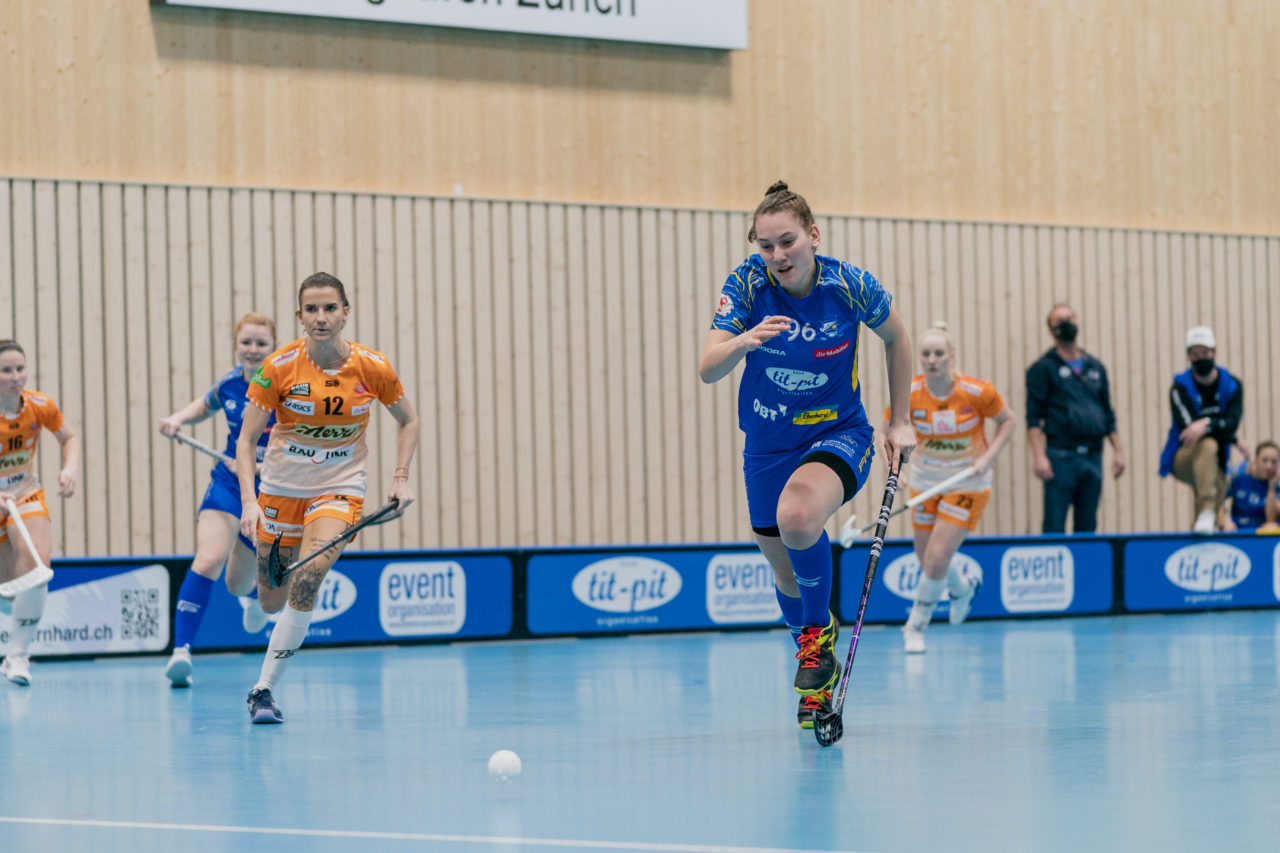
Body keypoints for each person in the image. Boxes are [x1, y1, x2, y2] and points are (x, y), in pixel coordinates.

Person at [698, 181, 916, 730]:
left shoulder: (848, 285)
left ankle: (816, 645)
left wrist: (900, 419)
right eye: (765, 245)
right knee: (787, 575)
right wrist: (744, 341)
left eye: (787, 241)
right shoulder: (746, 285)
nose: (777, 256)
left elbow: (896, 338)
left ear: (813, 236)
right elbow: (708, 367)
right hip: (768, 444)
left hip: (838, 434)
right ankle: (815, 681)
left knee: (797, 518)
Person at [237, 272, 419, 724]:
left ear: (345, 313)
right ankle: (256, 606)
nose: (321, 317)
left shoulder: (372, 366)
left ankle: (263, 691)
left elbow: (408, 421)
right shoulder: (276, 367)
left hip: (340, 486)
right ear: (299, 317)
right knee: (270, 600)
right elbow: (246, 442)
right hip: (280, 489)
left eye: (330, 308)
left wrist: (400, 477)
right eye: (312, 310)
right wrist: (248, 502)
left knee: (310, 575)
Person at [157, 313, 277, 686]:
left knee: (237, 585)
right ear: (236, 344)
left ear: (273, 348)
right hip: (228, 482)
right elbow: (205, 405)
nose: (253, 350)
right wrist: (177, 419)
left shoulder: (286, 386)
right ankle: (181, 653)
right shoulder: (228, 384)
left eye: (261, 344)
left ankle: (255, 596)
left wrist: (265, 465)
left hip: (270, 489)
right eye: (247, 343)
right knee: (209, 559)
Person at [893, 323, 1016, 654]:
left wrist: (988, 457)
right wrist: (895, 468)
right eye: (926, 354)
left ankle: (915, 625)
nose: (932, 360)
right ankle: (962, 589)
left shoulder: (977, 392)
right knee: (924, 556)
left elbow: (1008, 420)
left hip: (967, 481)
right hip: (925, 480)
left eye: (939, 354)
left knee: (936, 559)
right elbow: (889, 431)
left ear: (952, 357)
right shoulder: (910, 392)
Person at [0, 340, 80, 686]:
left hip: (25, 494)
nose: (16, 376)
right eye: (6, 370)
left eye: (20, 368)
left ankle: (17, 657)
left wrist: (70, 468)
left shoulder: (38, 405)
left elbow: (69, 437)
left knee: (36, 569)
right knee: (10, 592)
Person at [1025, 304, 1126, 533]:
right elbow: (1033, 417)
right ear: (1051, 331)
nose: (1066, 324)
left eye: (1069, 318)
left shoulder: (1095, 367)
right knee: (1055, 522)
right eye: (1059, 321)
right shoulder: (1042, 369)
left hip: (1093, 455)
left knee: (1087, 523)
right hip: (1061, 456)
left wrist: (1118, 451)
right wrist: (1039, 456)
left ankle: (1085, 567)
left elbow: (1107, 413)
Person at [1158, 326, 1243, 535]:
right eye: (1196, 354)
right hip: (1183, 454)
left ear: (1213, 352)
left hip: (1218, 460)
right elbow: (1190, 431)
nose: (1201, 357)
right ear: (1189, 356)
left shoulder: (1232, 385)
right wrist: (1226, 433)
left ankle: (1206, 517)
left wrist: (1205, 424)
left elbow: (1231, 422)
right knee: (1207, 445)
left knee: (1209, 508)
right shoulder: (1180, 387)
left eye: (1205, 352)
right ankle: (1208, 510)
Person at [1219, 440, 1280, 533]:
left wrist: (1272, 487)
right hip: (1237, 529)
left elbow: (1271, 519)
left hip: (1263, 531)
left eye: (1273, 462)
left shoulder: (1277, 482)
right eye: (1264, 460)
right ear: (1256, 460)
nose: (1269, 466)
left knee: (1272, 527)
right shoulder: (1238, 474)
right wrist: (1224, 521)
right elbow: (1217, 499)